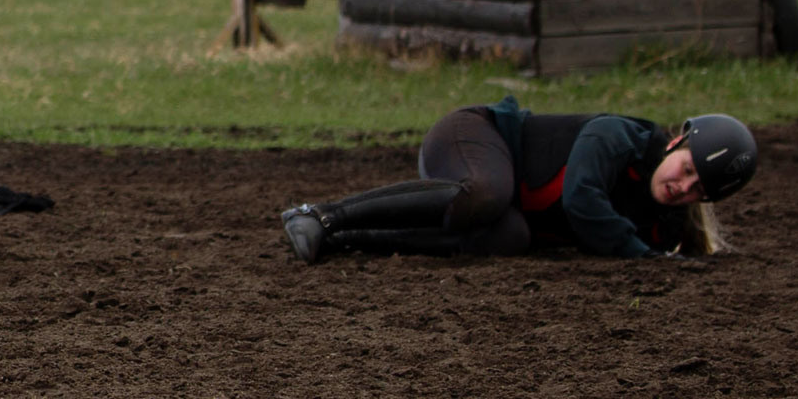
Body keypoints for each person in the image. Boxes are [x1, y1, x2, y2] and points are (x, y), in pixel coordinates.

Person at [280, 98, 757, 263]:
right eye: (688, 169)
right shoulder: (620, 136)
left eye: (697, 190)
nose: (682, 187)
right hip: (472, 135)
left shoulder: (663, 224)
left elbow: (665, 250)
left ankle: (347, 240)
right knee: (488, 194)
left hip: (505, 207)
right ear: (677, 143)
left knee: (511, 236)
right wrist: (641, 257)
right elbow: (581, 198)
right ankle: (320, 214)